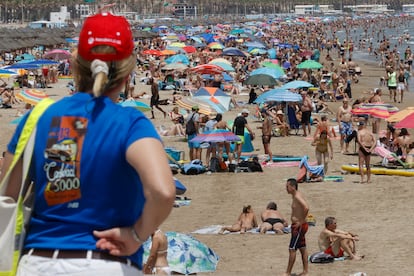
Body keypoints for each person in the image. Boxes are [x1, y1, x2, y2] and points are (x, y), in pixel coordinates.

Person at [1, 13, 175, 275]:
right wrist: (137, 235)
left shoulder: (38, 117)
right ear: (128, 71)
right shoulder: (130, 123)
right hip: (108, 263)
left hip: (40, 262)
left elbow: (7, 193)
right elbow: (162, 192)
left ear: (76, 63)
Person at [283, 178, 309, 276]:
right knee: (302, 247)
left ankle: (288, 272)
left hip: (299, 226)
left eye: (287, 186)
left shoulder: (297, 196)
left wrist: (301, 221)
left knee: (292, 249)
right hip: (299, 226)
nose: (286, 188)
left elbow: (306, 207)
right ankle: (305, 271)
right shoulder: (295, 195)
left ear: (293, 187)